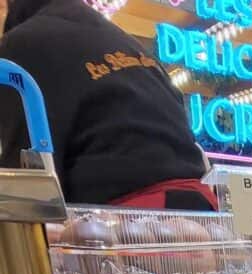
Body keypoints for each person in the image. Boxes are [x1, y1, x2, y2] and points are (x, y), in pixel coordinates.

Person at [0, 0, 216, 209]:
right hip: (202, 213)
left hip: (121, 222)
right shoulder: (125, 41)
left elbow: (27, 177)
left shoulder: (21, 45)